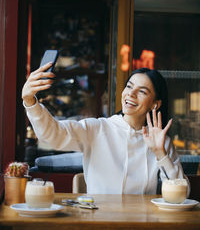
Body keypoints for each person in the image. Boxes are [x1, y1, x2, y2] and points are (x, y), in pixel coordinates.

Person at [22, 63, 190, 194]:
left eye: (142, 91)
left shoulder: (161, 142)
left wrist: (160, 153)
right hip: (99, 222)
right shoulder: (97, 129)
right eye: (129, 87)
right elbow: (54, 135)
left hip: (141, 224)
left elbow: (182, 194)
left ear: (155, 104)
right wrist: (30, 101)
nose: (131, 94)